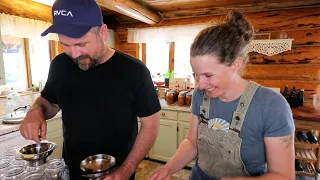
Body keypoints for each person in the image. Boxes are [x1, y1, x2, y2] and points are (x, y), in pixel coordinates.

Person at [19, 0, 161, 179]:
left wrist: (127, 168)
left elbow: (151, 124)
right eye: (66, 45)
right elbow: (50, 102)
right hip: (71, 171)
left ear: (102, 32)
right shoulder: (60, 64)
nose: (74, 54)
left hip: (117, 173)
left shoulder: (134, 71)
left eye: (81, 44)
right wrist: (35, 110)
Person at [149, 11, 295, 180]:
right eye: (196, 74)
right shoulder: (199, 95)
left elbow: (283, 176)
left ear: (236, 64)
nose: (200, 84)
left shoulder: (272, 106)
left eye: (208, 75)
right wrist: (169, 168)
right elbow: (192, 142)